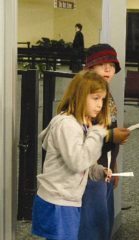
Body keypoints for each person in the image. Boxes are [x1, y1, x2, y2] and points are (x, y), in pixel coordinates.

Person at [31, 70, 112, 240]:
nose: (100, 105)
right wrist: (96, 134)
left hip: (67, 199)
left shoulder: (81, 124)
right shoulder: (67, 125)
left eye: (102, 99)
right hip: (58, 200)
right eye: (95, 98)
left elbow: (83, 162)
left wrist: (97, 171)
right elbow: (77, 162)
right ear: (80, 96)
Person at [78, 43, 130, 240]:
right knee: (91, 225)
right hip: (90, 171)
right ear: (89, 69)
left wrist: (113, 165)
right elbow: (83, 135)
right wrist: (111, 135)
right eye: (102, 65)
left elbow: (107, 135)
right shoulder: (84, 98)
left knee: (103, 221)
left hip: (105, 167)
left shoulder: (107, 95)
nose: (108, 69)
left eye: (112, 65)